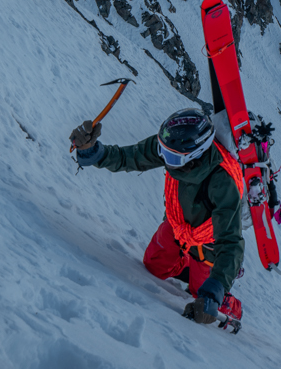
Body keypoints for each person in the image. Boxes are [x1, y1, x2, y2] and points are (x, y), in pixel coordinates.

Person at [70, 107, 245, 325]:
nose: (163, 157)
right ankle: (188, 267)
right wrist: (92, 152)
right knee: (153, 265)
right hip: (178, 225)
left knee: (202, 295)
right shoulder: (172, 145)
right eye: (162, 151)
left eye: (170, 156)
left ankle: (227, 301)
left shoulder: (223, 182)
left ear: (194, 155)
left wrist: (215, 290)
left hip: (209, 244)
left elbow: (230, 242)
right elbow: (130, 157)